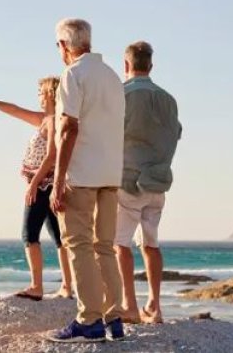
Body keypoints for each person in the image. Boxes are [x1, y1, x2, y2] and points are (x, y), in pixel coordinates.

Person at [46, 18, 127, 343]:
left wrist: (58, 178)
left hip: (81, 175)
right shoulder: (111, 77)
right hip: (110, 173)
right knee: (104, 247)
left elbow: (68, 128)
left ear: (64, 46)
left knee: (78, 245)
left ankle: (89, 320)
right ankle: (113, 318)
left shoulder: (73, 75)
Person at [0, 78, 74, 301]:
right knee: (59, 237)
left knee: (29, 234)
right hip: (48, 184)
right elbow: (14, 110)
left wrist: (34, 183)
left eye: (40, 92)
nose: (38, 96)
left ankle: (37, 286)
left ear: (49, 94)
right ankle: (67, 286)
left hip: (44, 186)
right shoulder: (45, 119)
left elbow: (52, 154)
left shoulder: (53, 120)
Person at [114, 41, 182, 325]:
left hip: (127, 180)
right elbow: (176, 133)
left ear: (126, 65)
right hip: (158, 180)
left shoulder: (121, 95)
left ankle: (129, 305)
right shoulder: (168, 99)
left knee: (120, 244)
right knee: (151, 244)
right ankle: (154, 306)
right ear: (150, 66)